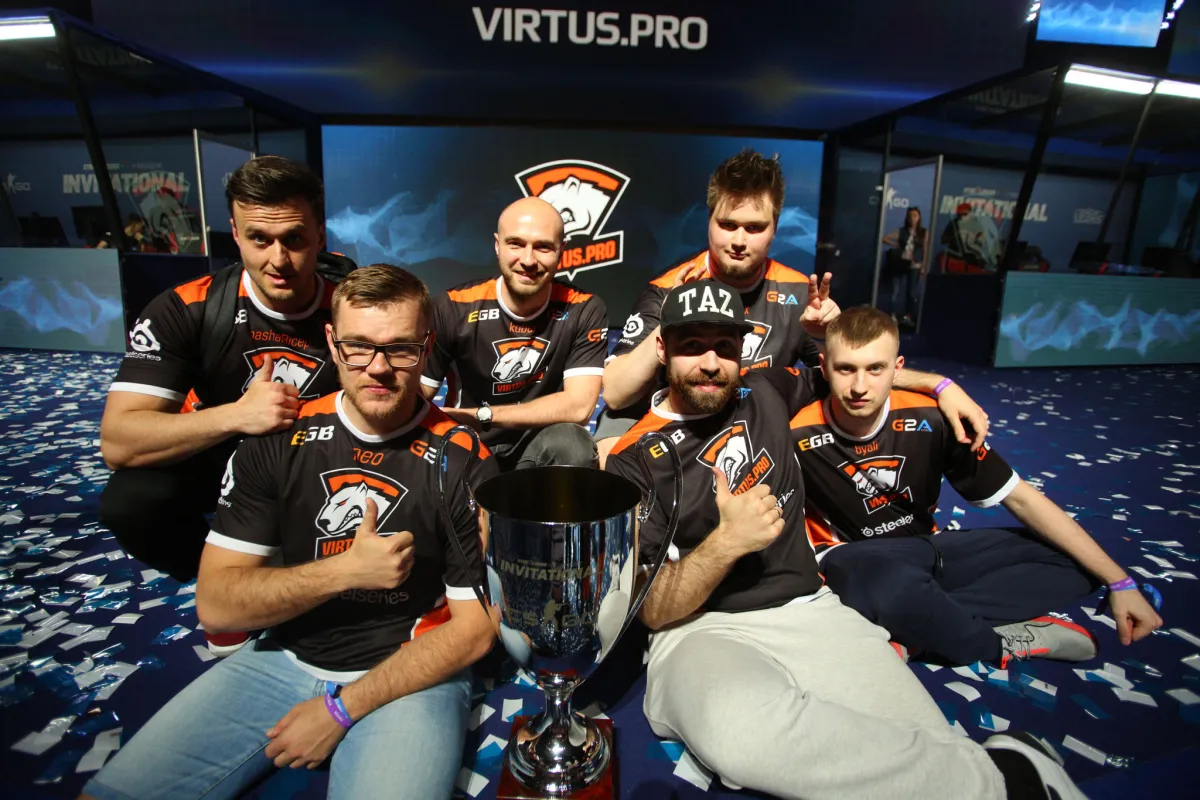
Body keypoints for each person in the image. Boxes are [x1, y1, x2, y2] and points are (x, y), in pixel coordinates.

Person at [604, 282, 1086, 800]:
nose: (710, 362)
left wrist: (942, 385)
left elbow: (858, 371)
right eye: (692, 345)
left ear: (742, 350)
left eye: (724, 346)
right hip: (702, 630)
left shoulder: (765, 389)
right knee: (740, 738)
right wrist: (726, 543)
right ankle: (1006, 776)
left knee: (924, 739)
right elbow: (653, 610)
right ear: (662, 349)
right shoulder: (633, 459)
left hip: (810, 609)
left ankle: (996, 774)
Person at [80, 266, 497, 800]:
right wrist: (344, 570)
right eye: (357, 346)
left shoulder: (463, 458)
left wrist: (339, 710)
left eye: (400, 349)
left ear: (427, 348)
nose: (378, 367)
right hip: (282, 657)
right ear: (332, 342)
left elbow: (473, 631)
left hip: (408, 673)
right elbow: (217, 606)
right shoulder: (278, 439)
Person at [792, 306, 1165, 667]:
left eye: (876, 369)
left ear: (898, 368)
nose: (860, 387)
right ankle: (990, 643)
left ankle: (920, 627)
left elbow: (1022, 500)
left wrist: (1120, 582)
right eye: (846, 369)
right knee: (882, 583)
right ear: (824, 367)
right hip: (854, 560)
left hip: (926, 551)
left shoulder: (934, 417)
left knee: (1077, 560)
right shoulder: (793, 431)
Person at [99, 155, 337, 653]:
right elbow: (119, 441)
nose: (278, 259)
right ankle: (215, 576)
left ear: (320, 235)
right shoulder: (186, 307)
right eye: (259, 239)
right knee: (131, 501)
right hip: (226, 451)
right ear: (235, 233)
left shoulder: (351, 304)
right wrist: (238, 415)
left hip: (322, 460)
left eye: (294, 238)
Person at [596, 149, 840, 468]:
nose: (739, 240)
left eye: (754, 228)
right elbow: (615, 394)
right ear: (709, 219)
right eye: (727, 224)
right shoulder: (670, 288)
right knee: (609, 442)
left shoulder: (798, 293)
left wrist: (825, 339)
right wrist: (670, 318)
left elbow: (850, 383)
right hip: (678, 422)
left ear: (775, 227)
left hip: (757, 422)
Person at [420, 196, 607, 471]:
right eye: (516, 244)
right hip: (468, 442)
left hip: (538, 445)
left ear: (562, 250)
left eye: (543, 247)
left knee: (573, 445)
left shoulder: (583, 308)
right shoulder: (452, 306)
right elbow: (419, 395)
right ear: (497, 245)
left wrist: (482, 416)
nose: (528, 260)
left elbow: (579, 407)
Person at [880, 206, 927, 327]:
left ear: (919, 217)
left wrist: (923, 267)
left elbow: (925, 250)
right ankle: (892, 316)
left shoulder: (923, 232)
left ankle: (908, 317)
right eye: (910, 216)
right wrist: (897, 244)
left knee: (912, 293)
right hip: (901, 263)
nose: (913, 218)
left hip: (915, 264)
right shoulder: (902, 231)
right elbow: (884, 238)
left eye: (915, 216)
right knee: (895, 290)